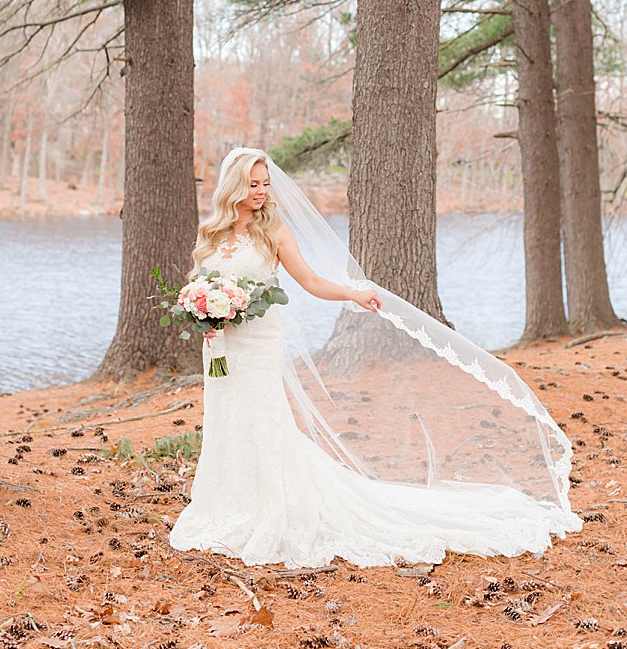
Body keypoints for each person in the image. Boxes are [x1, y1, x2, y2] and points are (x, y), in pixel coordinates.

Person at [167, 146, 582, 569]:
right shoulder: (211, 233)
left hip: (257, 343)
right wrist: (204, 315)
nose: (260, 191)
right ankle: (228, 503)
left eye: (265, 184)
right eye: (252, 184)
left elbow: (309, 281)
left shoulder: (274, 232)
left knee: (261, 417)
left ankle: (271, 507)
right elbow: (200, 284)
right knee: (226, 417)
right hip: (220, 345)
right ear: (234, 186)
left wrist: (352, 292)